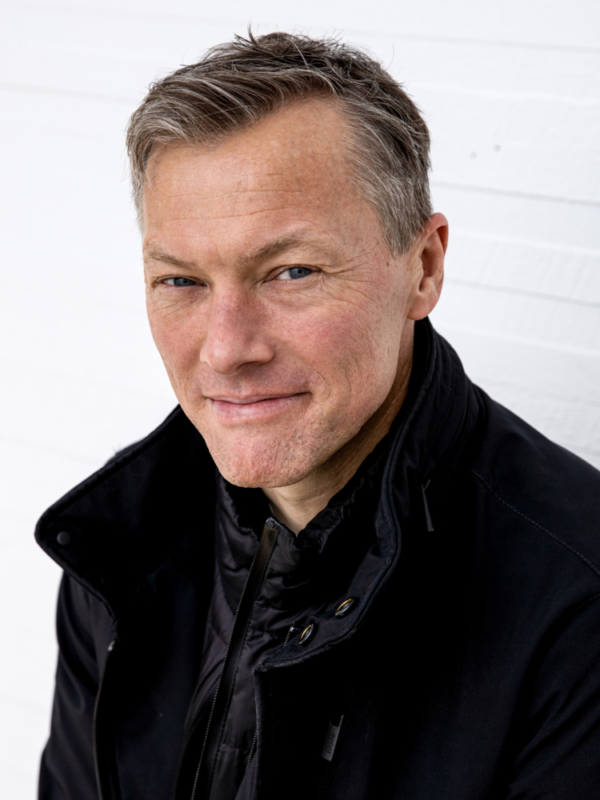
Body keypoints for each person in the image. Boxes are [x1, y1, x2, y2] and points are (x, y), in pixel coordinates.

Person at [36, 32, 600, 800]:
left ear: (424, 268)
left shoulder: (575, 608)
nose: (226, 349)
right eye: (181, 281)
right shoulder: (120, 544)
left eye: (292, 271)